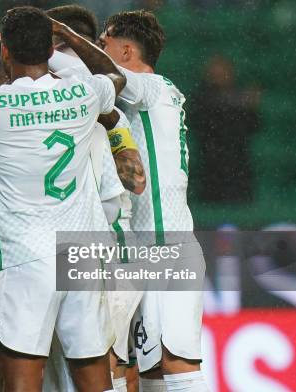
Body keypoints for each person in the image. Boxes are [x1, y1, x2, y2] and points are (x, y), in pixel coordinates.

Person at [0, 6, 126, 391]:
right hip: (81, 253)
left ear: (5, 54)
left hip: (26, 258)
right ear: (51, 51)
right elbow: (115, 76)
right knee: (95, 379)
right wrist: (66, 30)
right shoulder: (84, 93)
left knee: (23, 381)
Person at [95, 10, 209, 392]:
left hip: (165, 246)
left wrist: (60, 36)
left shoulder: (152, 87)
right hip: (141, 248)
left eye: (104, 42)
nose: (98, 48)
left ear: (126, 50)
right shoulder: (147, 96)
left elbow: (110, 77)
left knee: (174, 363)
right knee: (145, 369)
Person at [45, 5, 144, 392]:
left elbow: (134, 181)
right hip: (71, 252)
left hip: (108, 254)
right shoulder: (58, 105)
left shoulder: (107, 111)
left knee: (109, 366)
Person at [190, 54, 260, 203]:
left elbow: (253, 125)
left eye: (223, 71)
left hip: (237, 163)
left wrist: (247, 105)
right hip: (210, 162)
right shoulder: (202, 97)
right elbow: (204, 119)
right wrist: (241, 102)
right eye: (215, 72)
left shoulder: (239, 99)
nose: (219, 76)